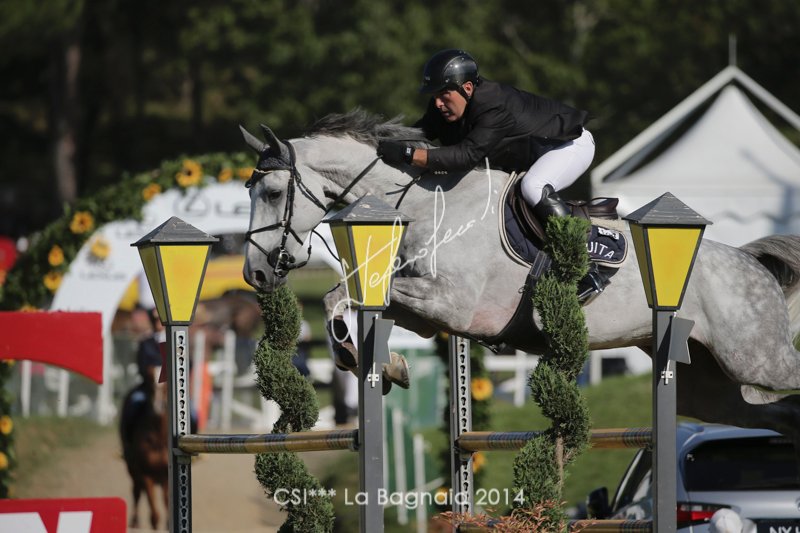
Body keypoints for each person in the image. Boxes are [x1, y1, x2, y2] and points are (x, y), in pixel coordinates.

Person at [377, 48, 595, 226]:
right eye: (434, 96)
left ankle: (578, 250)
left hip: (569, 145)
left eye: (443, 95)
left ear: (467, 88)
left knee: (532, 186)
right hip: (533, 155)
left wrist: (408, 154)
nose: (438, 103)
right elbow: (417, 134)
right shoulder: (442, 107)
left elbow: (465, 156)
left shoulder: (494, 107)